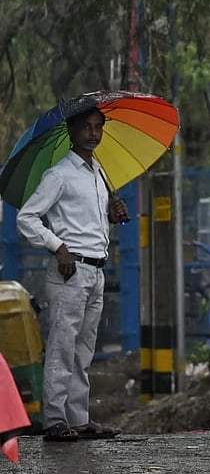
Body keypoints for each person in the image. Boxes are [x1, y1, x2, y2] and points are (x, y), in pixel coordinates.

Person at [16, 107, 128, 442]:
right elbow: (27, 219)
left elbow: (88, 222)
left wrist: (113, 214)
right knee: (63, 346)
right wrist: (57, 247)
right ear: (72, 131)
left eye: (98, 127)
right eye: (87, 127)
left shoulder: (99, 174)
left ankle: (78, 418)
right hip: (70, 269)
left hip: (96, 269)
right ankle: (54, 420)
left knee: (83, 350)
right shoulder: (59, 174)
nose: (93, 133)